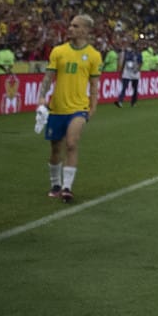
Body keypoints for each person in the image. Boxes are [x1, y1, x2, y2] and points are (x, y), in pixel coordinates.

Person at [45, 15, 104, 203]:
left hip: (79, 108)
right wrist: (40, 97)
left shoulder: (93, 55)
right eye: (70, 25)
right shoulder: (58, 51)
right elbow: (48, 77)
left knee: (71, 143)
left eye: (75, 26)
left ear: (85, 31)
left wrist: (93, 106)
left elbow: (94, 85)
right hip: (57, 108)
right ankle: (55, 183)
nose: (70, 28)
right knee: (56, 149)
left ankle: (67, 187)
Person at [119, 39, 141, 107]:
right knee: (124, 87)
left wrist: (137, 69)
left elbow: (140, 63)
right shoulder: (127, 53)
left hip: (135, 73)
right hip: (127, 73)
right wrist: (121, 71)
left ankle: (133, 102)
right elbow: (124, 62)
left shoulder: (138, 54)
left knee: (134, 88)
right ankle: (120, 101)